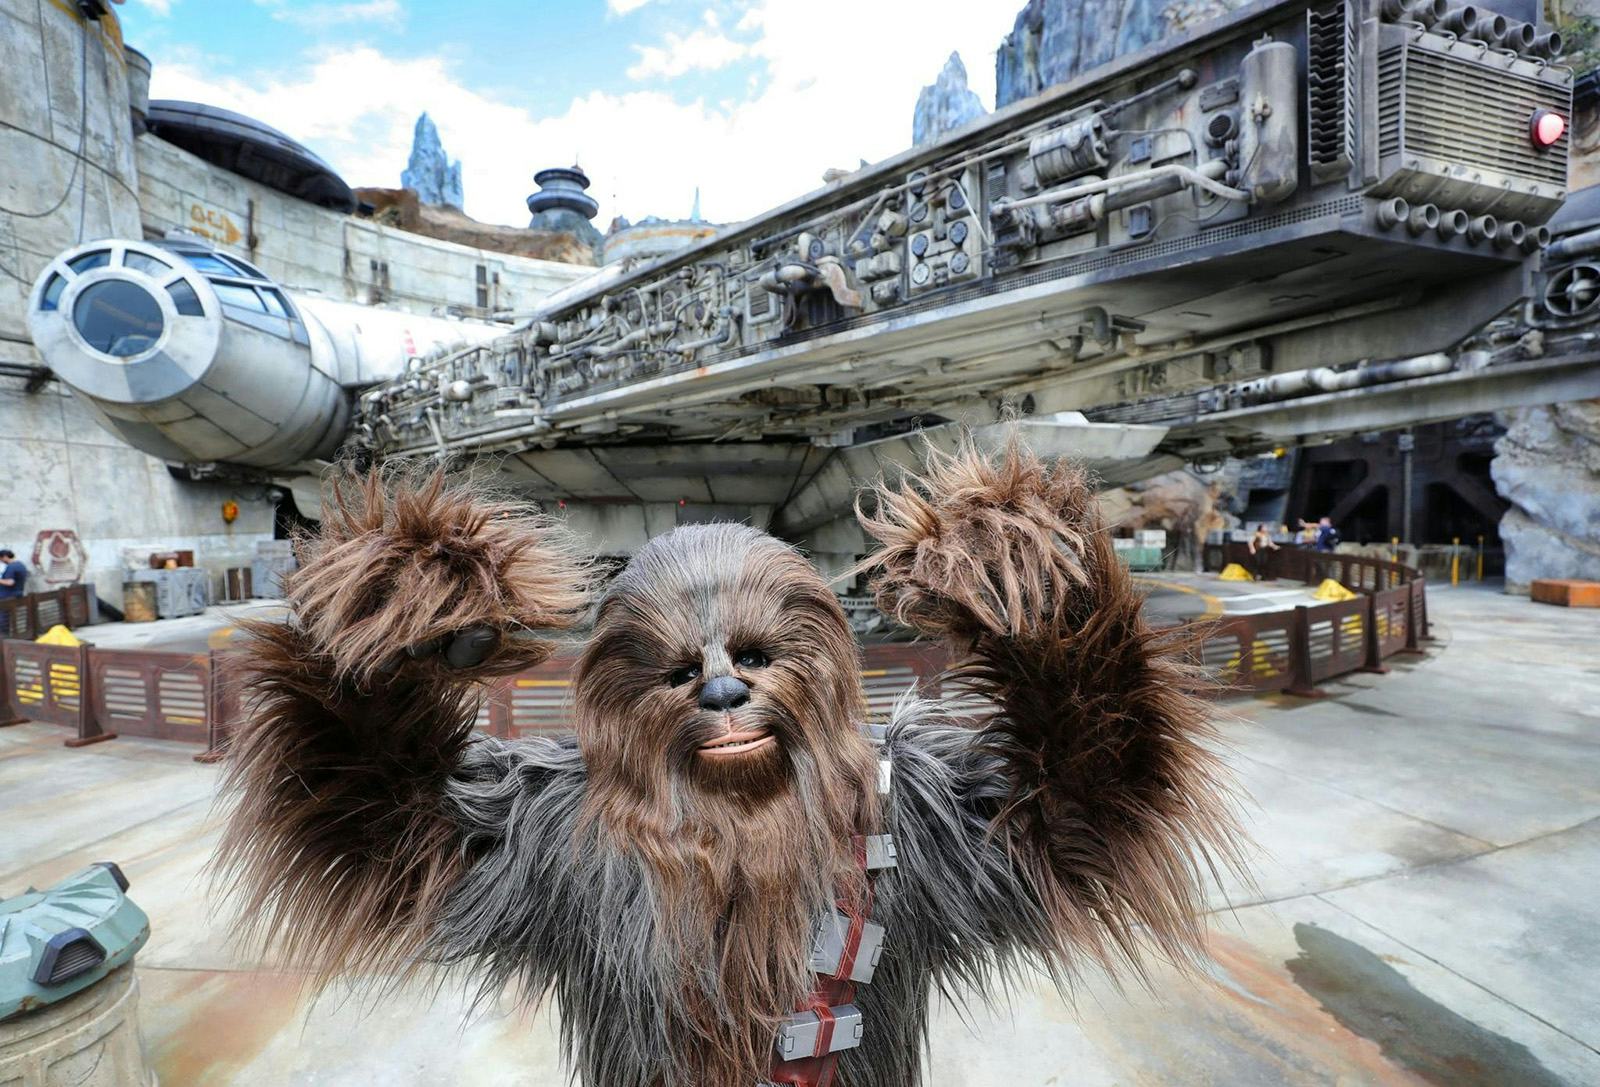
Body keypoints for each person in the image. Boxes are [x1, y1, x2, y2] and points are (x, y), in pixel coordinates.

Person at [220, 447, 1240, 1087]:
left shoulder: (900, 804)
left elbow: (1093, 814)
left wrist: (1055, 635)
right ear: (620, 699)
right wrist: (368, 659)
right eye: (680, 671)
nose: (720, 689)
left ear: (817, 664)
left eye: (753, 659)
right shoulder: (568, 823)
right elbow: (366, 829)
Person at [0, 549, 26, 635]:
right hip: (16, 594)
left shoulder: (11, 567)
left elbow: (10, 582)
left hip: (8, 596)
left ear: (5, 557)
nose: (1, 562)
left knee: (3, 618)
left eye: (1, 559)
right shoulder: (21, 565)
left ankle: (4, 637)